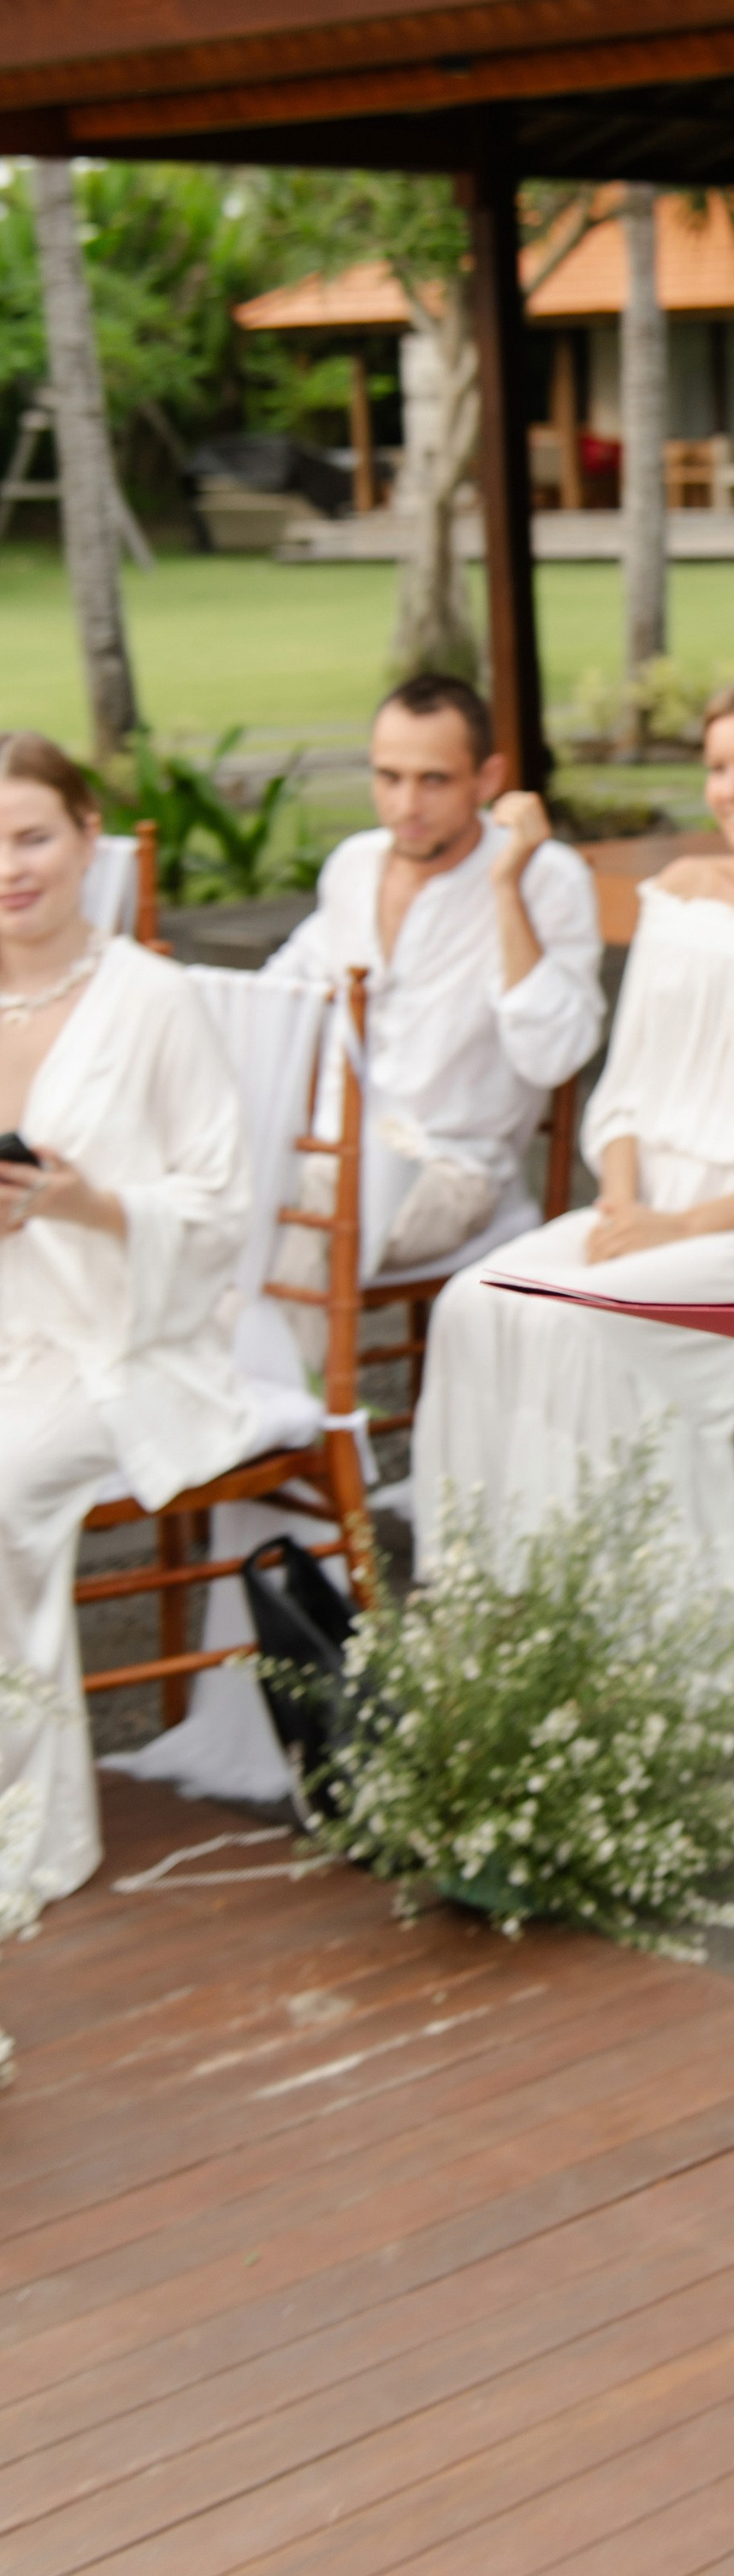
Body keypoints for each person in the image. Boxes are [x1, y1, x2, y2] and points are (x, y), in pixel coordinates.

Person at [413, 674, 734, 1602]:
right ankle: (493, 1599)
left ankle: (632, 1618)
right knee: (471, 1301)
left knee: (580, 1324)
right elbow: (628, 1086)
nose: (731, 789)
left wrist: (680, 1229)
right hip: (640, 1206)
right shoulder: (680, 893)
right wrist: (625, 1206)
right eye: (717, 767)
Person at [0, 732, 253, 1915]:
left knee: (2, 1485)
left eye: (31, 837)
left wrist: (80, 1201)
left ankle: (26, 1819)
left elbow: (222, 1211)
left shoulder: (155, 999)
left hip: (128, 1338)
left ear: (88, 834)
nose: (10, 867)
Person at [266, 672, 603, 1311]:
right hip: (327, 1152)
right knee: (215, 1186)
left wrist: (505, 888)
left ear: (487, 777)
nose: (406, 806)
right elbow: (280, 992)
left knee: (291, 1209)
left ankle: (280, 1378)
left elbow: (552, 1055)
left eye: (434, 780)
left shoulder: (546, 878)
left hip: (454, 1172)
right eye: (388, 777)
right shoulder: (354, 865)